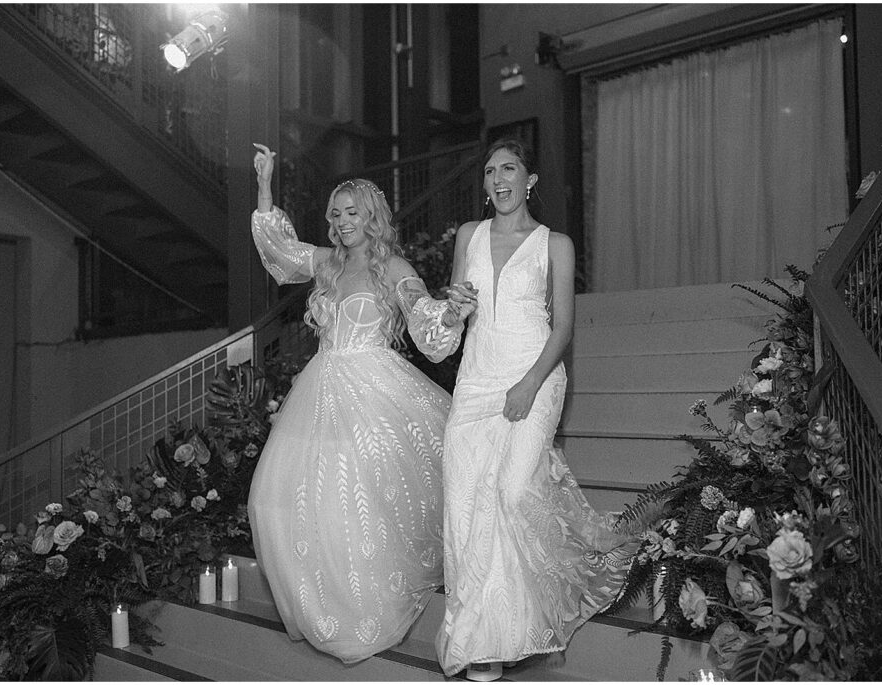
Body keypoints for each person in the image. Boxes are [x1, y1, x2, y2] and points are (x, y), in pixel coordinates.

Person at [246, 144, 475, 663]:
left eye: (353, 213)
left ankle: (365, 610)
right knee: (272, 498)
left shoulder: (392, 266)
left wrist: (452, 312)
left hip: (375, 389)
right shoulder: (326, 263)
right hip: (321, 388)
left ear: (372, 219)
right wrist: (264, 185)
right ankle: (324, 608)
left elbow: (424, 318)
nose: (343, 222)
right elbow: (282, 253)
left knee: (355, 499)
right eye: (336, 214)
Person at [435, 139, 639, 681]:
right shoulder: (467, 237)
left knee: (513, 491)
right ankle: (484, 641)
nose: (498, 179)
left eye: (509, 168)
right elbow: (451, 325)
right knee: (464, 500)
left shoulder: (556, 244)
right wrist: (452, 310)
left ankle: (580, 563)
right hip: (475, 379)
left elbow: (564, 327)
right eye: (488, 171)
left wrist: (529, 383)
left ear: (531, 179)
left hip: (537, 374)